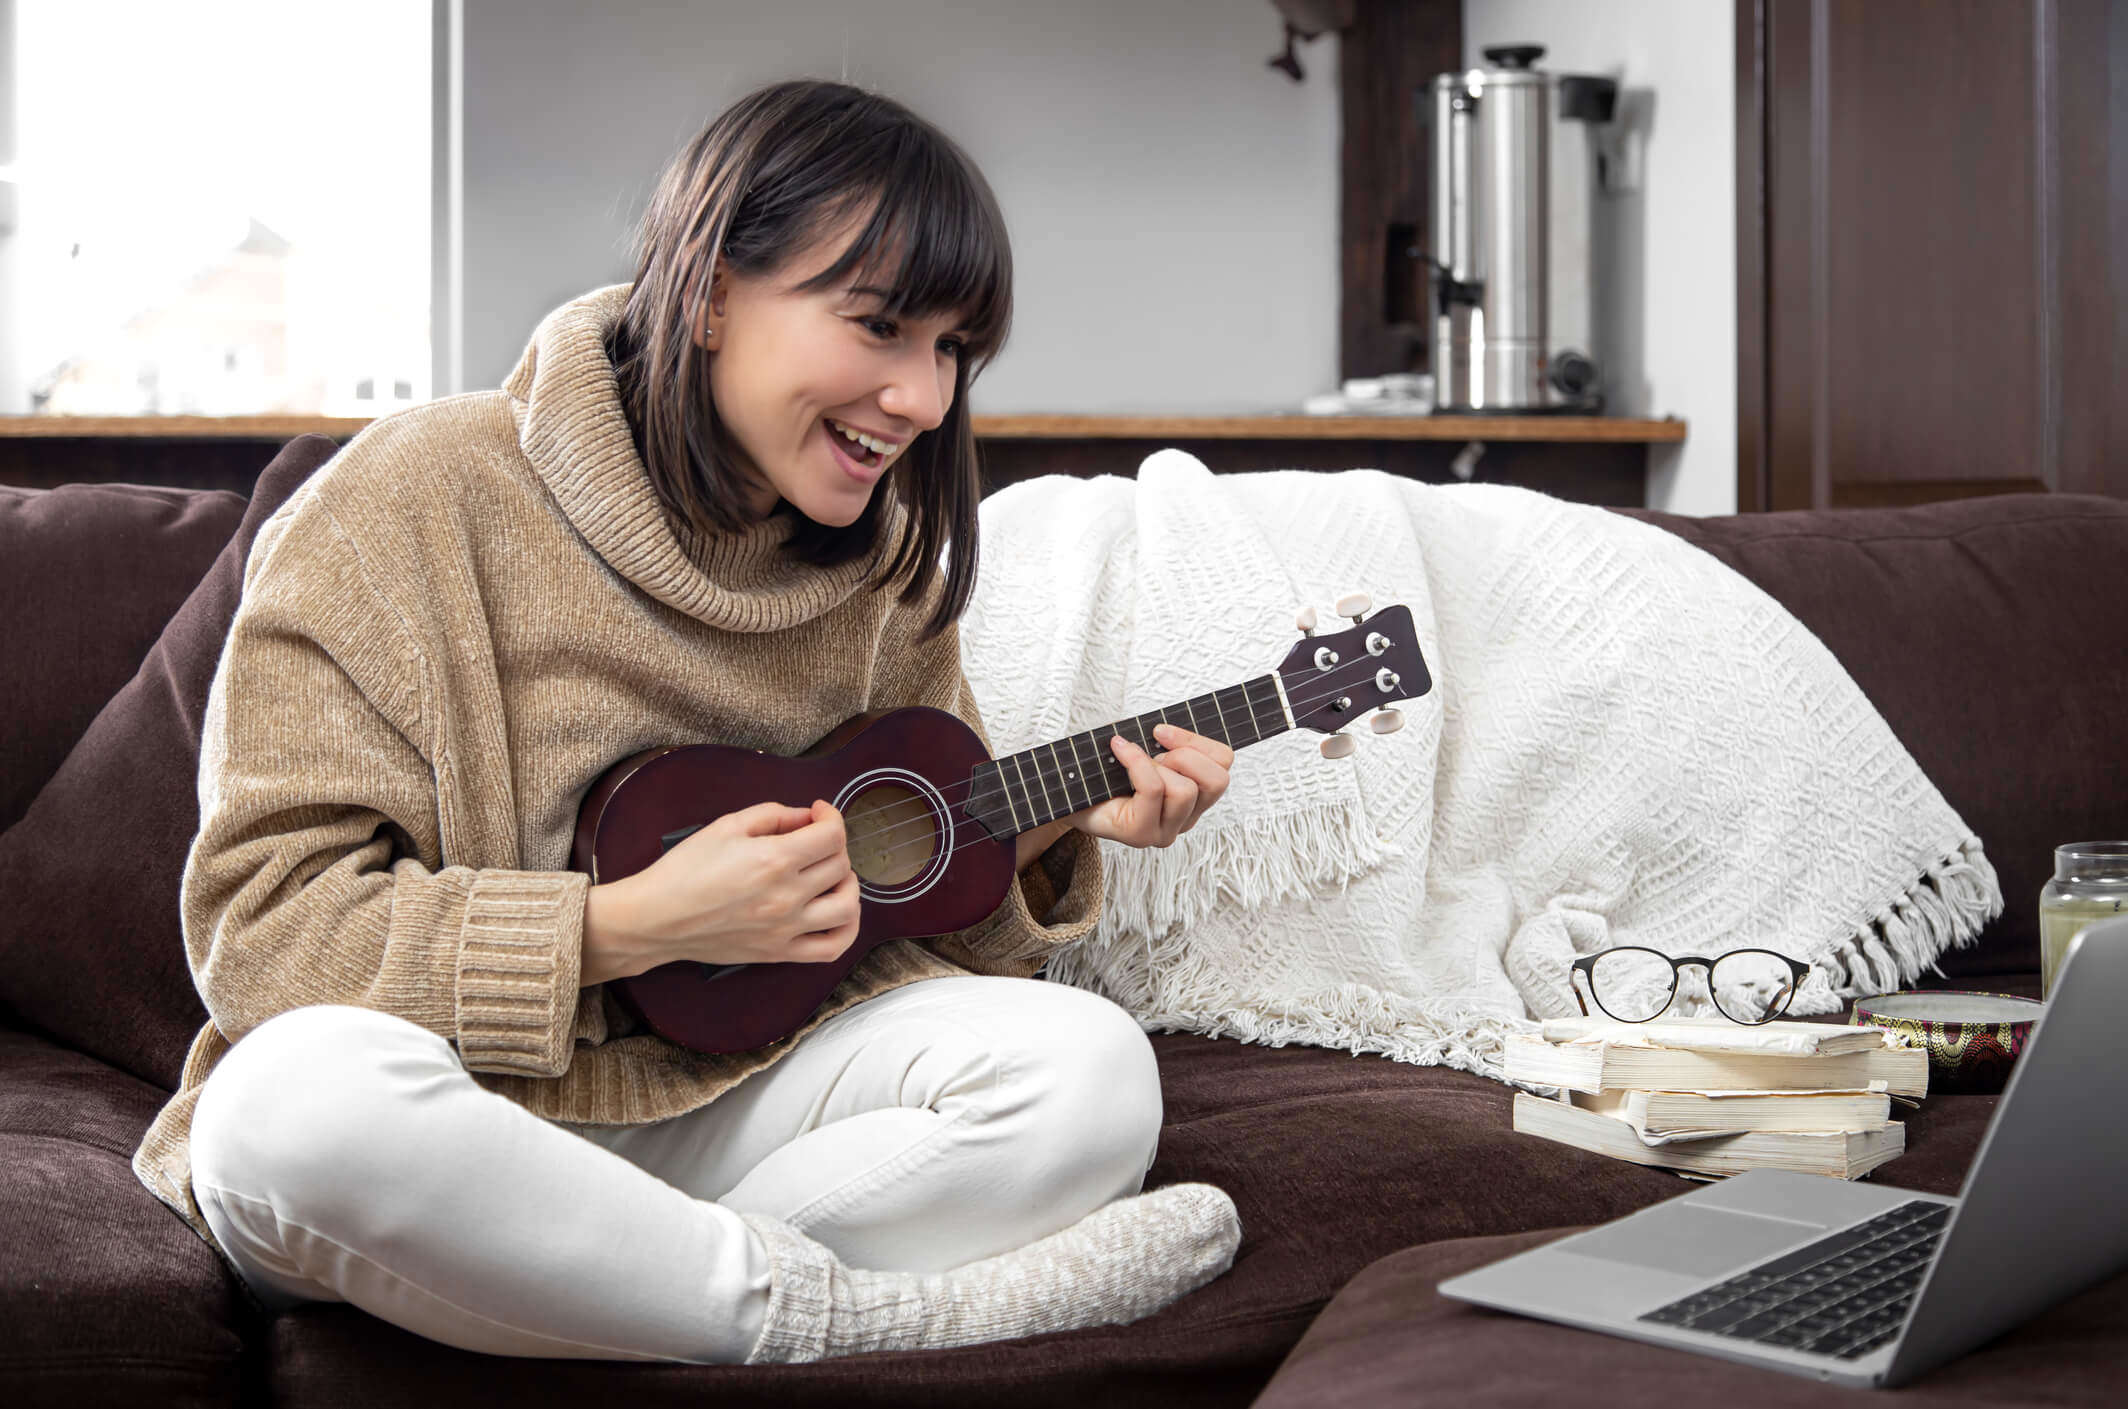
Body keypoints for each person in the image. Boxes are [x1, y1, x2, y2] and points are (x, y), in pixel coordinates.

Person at [132, 79, 1243, 1365]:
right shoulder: (407, 501)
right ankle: (843, 1312)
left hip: (720, 1105)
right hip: (444, 1117)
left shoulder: (883, 577)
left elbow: (920, 942)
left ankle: (607, 1288)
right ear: (712, 291)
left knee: (1090, 1073)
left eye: (950, 349)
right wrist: (633, 925)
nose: (922, 398)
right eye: (879, 324)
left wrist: (1050, 834)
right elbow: (265, 938)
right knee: (284, 1111)